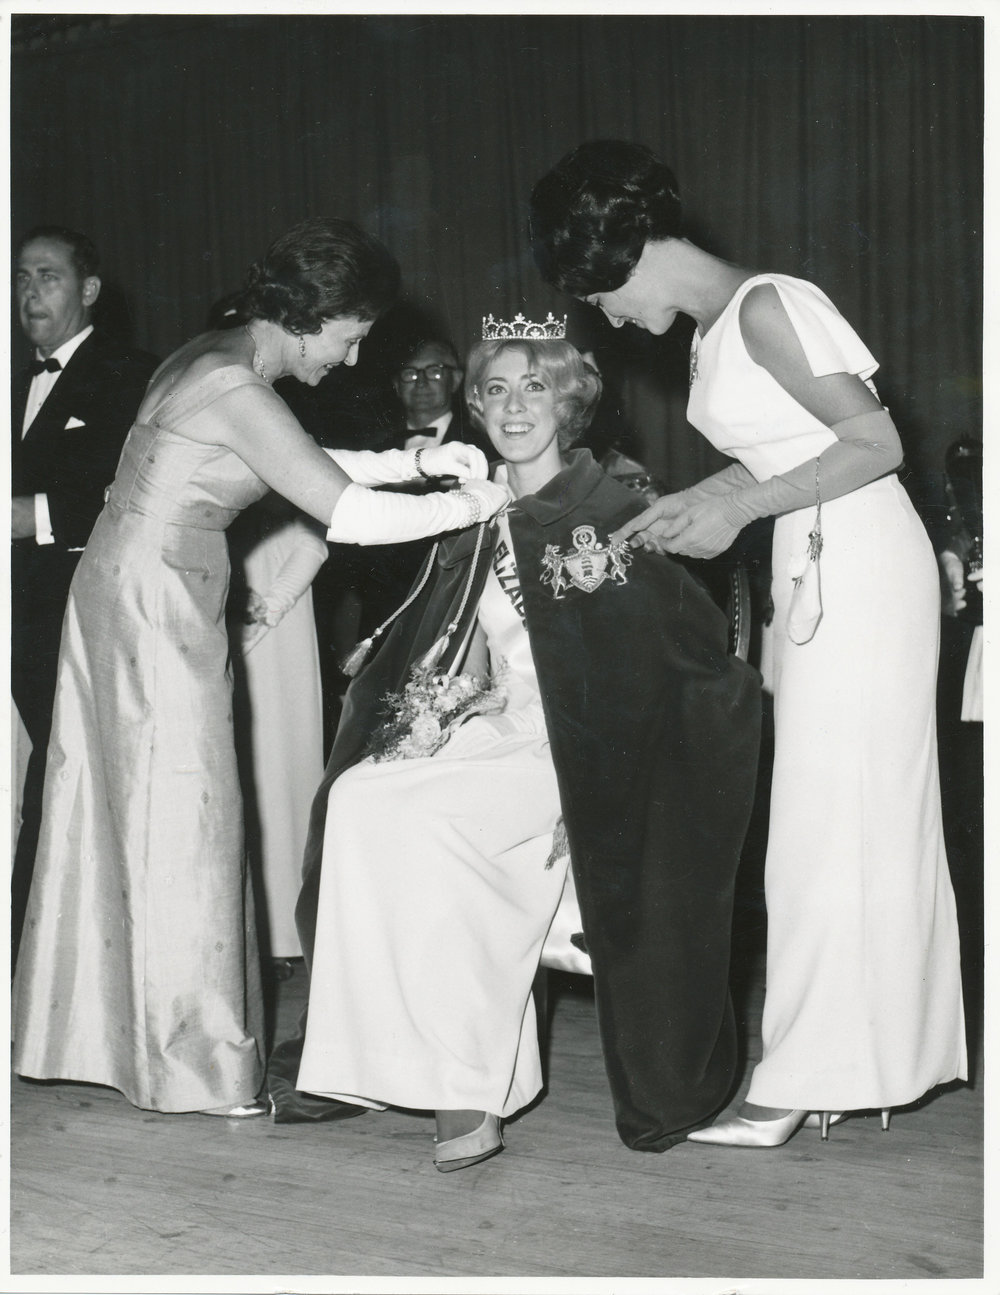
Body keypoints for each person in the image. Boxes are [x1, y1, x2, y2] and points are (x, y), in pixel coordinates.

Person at [12, 217, 507, 1117]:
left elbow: (288, 464)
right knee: (189, 812)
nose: (353, 360)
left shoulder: (220, 354)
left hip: (140, 585)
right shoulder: (232, 379)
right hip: (152, 598)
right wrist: (473, 499)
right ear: (316, 316)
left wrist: (417, 460)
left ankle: (107, 1038)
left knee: (131, 812)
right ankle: (191, 1062)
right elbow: (342, 511)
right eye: (353, 336)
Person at [529, 140, 967, 1147]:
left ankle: (808, 1074)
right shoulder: (716, 328)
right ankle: (845, 1063)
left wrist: (735, 509)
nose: (599, 315)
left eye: (593, 293)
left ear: (620, 254)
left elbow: (875, 445)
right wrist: (699, 499)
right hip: (815, 558)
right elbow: (789, 455)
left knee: (835, 818)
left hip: (857, 560)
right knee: (826, 820)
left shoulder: (771, 304)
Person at [267, 326, 761, 1165]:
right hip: (506, 726)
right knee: (358, 798)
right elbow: (456, 638)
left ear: (570, 400)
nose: (513, 406)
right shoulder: (476, 510)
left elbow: (682, 668)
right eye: (495, 390)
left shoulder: (611, 511)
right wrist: (437, 709)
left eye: (535, 388)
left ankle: (468, 1087)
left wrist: (606, 791)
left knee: (430, 823)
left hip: (587, 753)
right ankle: (371, 1064)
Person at [11, 225, 159, 967]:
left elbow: (134, 491)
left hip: (70, 608)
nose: (29, 292)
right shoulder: (17, 379)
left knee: (67, 772)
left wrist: (27, 514)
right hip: (20, 612)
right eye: (22, 278)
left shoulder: (129, 372)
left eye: (48, 276)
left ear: (89, 289)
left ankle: (45, 960)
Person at [227, 494, 330, 968]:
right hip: (224, 618)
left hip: (279, 637)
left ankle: (286, 934)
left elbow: (315, 542)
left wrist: (270, 605)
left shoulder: (297, 452)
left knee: (281, 772)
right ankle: (246, 935)